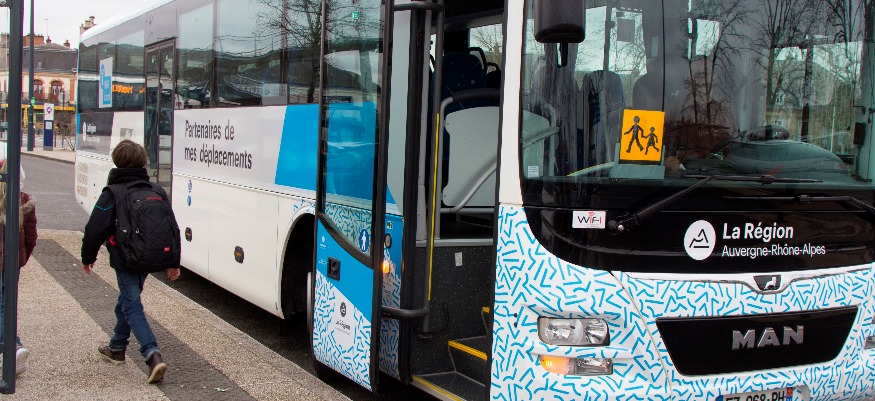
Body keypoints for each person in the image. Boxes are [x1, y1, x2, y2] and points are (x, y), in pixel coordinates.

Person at [80, 140, 180, 384]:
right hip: (151, 256)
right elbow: (172, 228)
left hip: (126, 258)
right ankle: (116, 347)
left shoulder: (113, 193)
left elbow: (94, 229)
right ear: (143, 162)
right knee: (127, 300)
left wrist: (87, 258)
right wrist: (173, 262)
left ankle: (152, 354)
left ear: (116, 161)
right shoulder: (156, 190)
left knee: (131, 305)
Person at [0, 159, 37, 375]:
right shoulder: (24, 201)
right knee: (7, 304)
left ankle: (13, 347)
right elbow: (31, 237)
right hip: (13, 262)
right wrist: (22, 259)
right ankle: (14, 345)